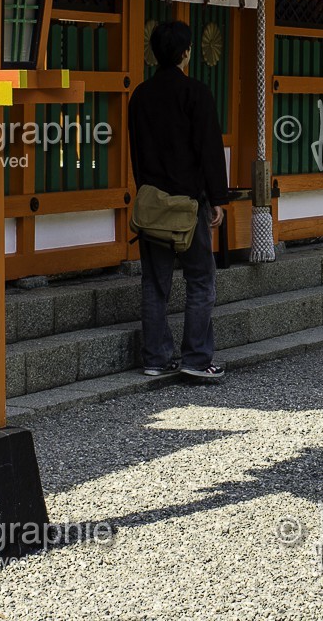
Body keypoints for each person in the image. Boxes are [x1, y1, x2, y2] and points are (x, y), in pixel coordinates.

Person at [128, 20, 230, 382]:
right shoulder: (196, 93)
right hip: (189, 204)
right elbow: (209, 151)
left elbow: (137, 153)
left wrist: (144, 191)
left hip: (153, 203)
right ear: (186, 53)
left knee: (155, 283)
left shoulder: (140, 95)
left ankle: (156, 358)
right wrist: (218, 198)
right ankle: (197, 358)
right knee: (200, 279)